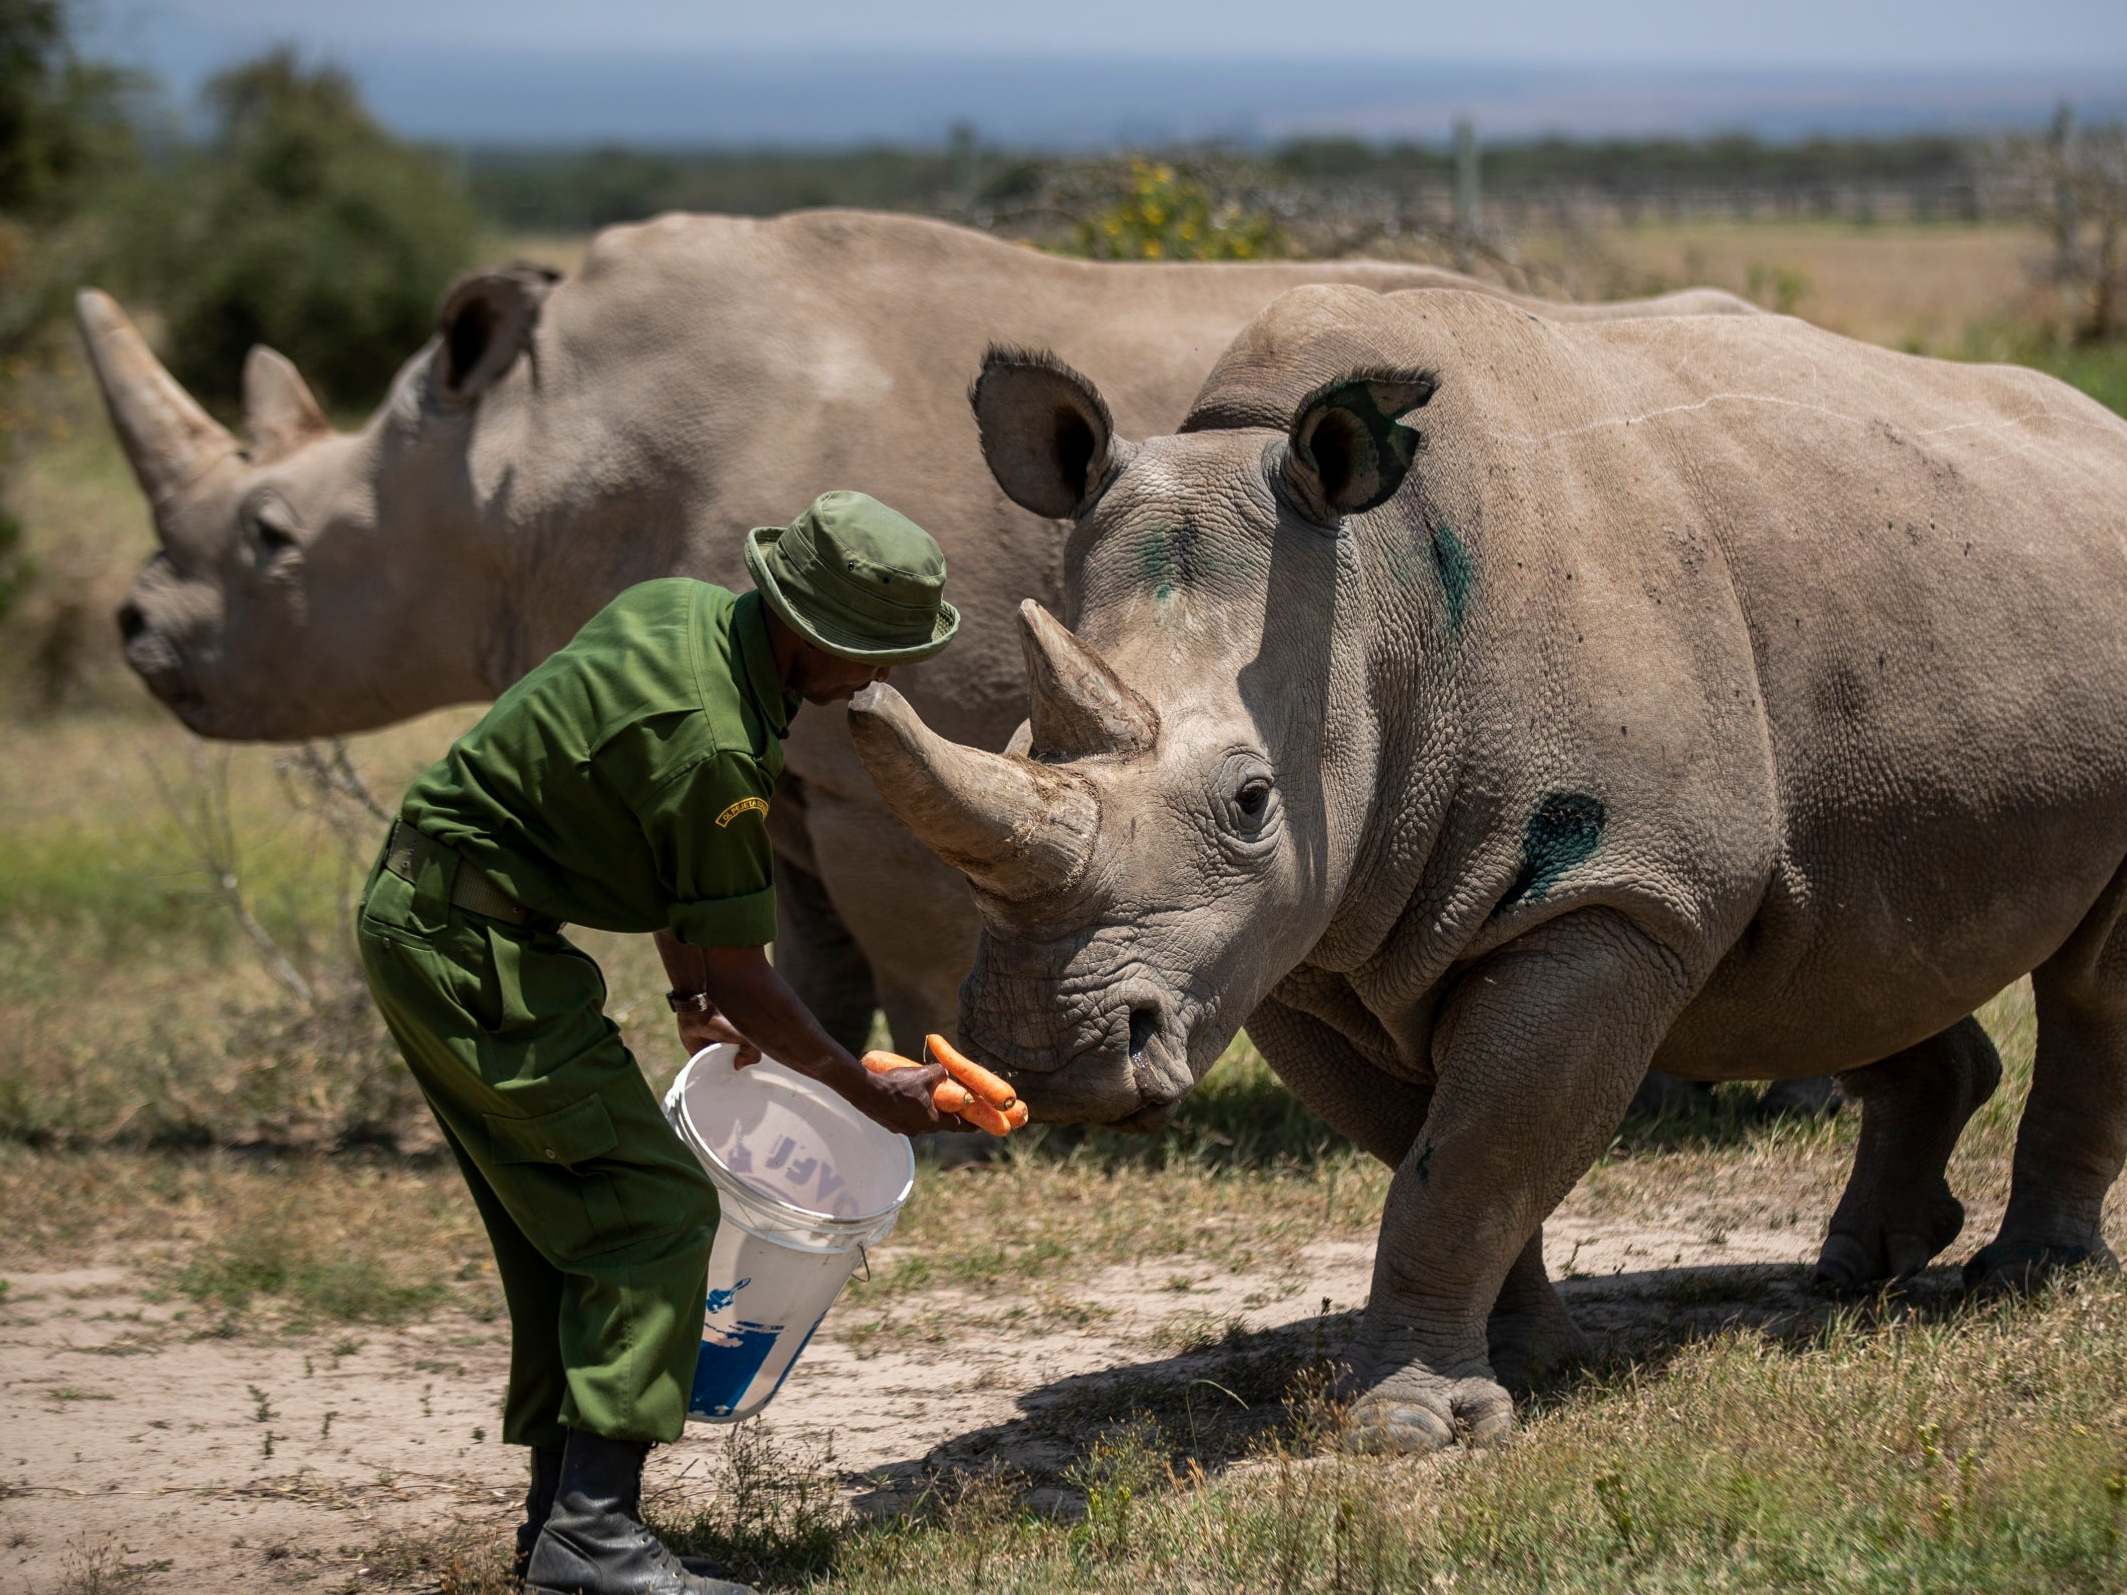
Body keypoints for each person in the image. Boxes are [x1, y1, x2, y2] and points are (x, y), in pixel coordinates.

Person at [356, 491, 964, 1595]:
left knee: (576, 1230)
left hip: (448, 920)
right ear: (813, 632)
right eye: (874, 655)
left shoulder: (684, 613)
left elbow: (658, 853)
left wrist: (691, 997)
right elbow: (746, 962)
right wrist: (870, 1092)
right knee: (654, 1214)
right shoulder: (717, 746)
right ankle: (593, 1536)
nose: (882, 679)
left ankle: (561, 1528)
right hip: (471, 949)